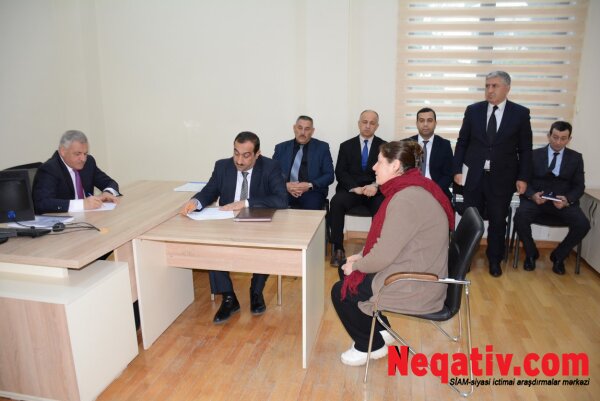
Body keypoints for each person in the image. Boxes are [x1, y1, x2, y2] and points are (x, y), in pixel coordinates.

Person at [331, 140, 454, 366]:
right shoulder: (412, 189)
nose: (374, 167)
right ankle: (381, 330)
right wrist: (361, 257)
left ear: (395, 166)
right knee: (346, 271)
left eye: (379, 162)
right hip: (417, 268)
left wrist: (357, 265)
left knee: (341, 290)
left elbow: (384, 255)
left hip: (416, 284)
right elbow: (391, 240)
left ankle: (371, 346)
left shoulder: (406, 198)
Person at [180, 131, 288, 324]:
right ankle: (229, 298)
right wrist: (195, 202)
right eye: (236, 153)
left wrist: (245, 203)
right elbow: (209, 191)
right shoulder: (222, 166)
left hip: (257, 221)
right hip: (227, 222)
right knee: (212, 245)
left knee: (265, 244)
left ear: (257, 154)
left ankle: (256, 291)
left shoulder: (270, 167)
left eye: (246, 155)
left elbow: (281, 200)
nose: (239, 160)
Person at [453, 70, 533, 277]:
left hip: (503, 178)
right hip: (474, 176)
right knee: (472, 220)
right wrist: (457, 170)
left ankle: (494, 260)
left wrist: (523, 177)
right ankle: (465, 259)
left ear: (507, 88)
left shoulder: (520, 114)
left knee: (498, 221)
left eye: (494, 86)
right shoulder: (473, 111)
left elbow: (525, 149)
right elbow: (462, 142)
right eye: (487, 86)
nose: (489, 90)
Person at [513, 121, 590, 275]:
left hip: (562, 203)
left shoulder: (576, 158)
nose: (558, 142)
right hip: (536, 201)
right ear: (549, 136)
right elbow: (523, 180)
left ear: (569, 139)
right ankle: (531, 253)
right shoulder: (533, 155)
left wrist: (567, 199)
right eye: (555, 137)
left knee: (583, 224)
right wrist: (532, 195)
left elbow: (579, 186)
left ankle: (559, 256)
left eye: (563, 138)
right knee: (520, 217)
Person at [329, 110, 387, 267]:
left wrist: (375, 186)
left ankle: (375, 249)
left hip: (373, 191)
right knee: (336, 202)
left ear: (377, 126)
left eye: (372, 123)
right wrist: (355, 188)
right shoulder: (346, 146)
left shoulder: (385, 147)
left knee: (383, 205)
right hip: (352, 190)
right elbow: (340, 172)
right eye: (364, 122)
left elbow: (388, 173)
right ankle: (338, 248)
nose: (367, 126)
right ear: (359, 123)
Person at [33, 130, 120, 214]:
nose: (83, 159)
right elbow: (42, 203)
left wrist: (107, 193)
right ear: (63, 151)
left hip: (90, 217)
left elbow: (110, 183)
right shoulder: (49, 169)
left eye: (85, 153)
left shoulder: (88, 162)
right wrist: (82, 204)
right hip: (65, 220)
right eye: (77, 154)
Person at [272, 115, 334, 210]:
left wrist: (309, 185)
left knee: (311, 206)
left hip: (311, 191)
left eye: (307, 129)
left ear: (312, 131)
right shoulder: (281, 148)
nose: (302, 132)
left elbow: (329, 175)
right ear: (294, 128)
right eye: (300, 128)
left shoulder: (322, 148)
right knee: (272, 204)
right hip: (286, 190)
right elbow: (273, 174)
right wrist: (285, 185)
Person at [405, 107, 453, 200]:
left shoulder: (444, 145)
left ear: (435, 123)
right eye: (421, 121)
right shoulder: (406, 144)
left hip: (437, 191)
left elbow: (448, 174)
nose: (425, 124)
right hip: (411, 191)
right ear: (417, 123)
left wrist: (434, 190)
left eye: (429, 120)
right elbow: (401, 172)